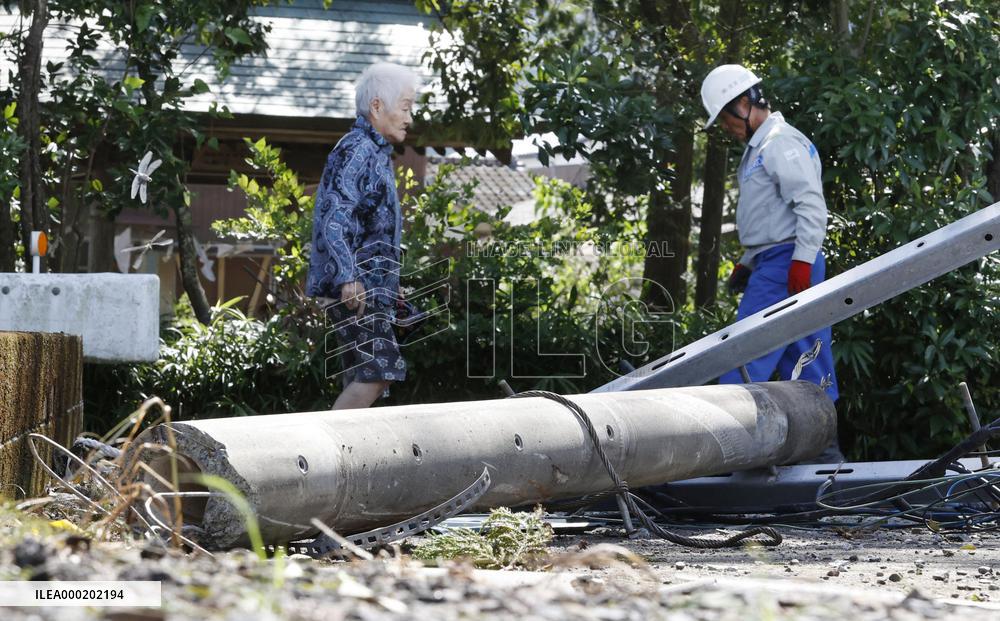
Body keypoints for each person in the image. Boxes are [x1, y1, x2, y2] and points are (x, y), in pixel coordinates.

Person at [700, 64, 839, 404]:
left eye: (725, 117)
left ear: (744, 102)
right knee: (806, 354)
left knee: (745, 350)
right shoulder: (760, 149)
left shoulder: (779, 143)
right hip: (780, 259)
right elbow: (772, 218)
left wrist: (801, 261)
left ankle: (726, 431)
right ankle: (823, 445)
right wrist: (748, 262)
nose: (726, 127)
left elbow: (809, 205)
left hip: (786, 262)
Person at [306, 62, 418, 409]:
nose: (410, 118)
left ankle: (348, 458)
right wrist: (347, 276)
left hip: (369, 286)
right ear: (376, 106)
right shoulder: (357, 149)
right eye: (405, 107)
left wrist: (390, 281)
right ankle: (325, 450)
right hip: (354, 287)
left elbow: (369, 226)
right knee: (380, 369)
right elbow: (334, 218)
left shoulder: (373, 152)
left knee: (362, 374)